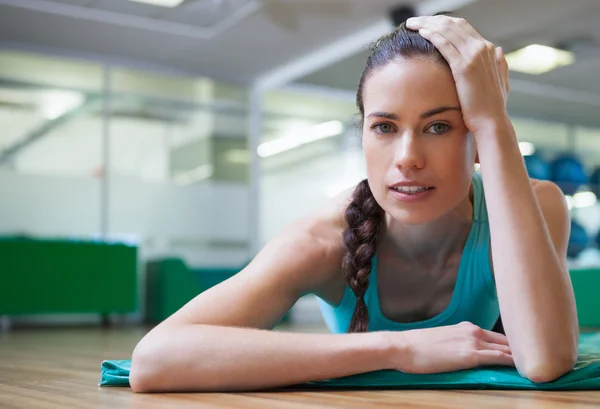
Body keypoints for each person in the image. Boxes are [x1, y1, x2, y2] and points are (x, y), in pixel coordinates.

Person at [129, 15, 579, 393]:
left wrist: (494, 122)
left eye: (439, 127)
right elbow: (154, 360)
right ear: (363, 136)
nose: (407, 159)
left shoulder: (539, 205)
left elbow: (544, 359)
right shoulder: (323, 239)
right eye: (384, 127)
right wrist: (399, 349)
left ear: (475, 139)